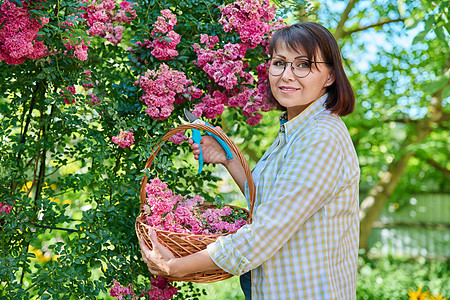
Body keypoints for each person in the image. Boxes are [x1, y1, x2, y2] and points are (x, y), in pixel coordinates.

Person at [139, 21, 360, 300]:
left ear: (329, 76)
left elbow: (267, 229)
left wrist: (175, 266)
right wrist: (228, 159)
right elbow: (269, 201)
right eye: (279, 62)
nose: (286, 75)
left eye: (302, 65)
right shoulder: (296, 130)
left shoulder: (320, 136)